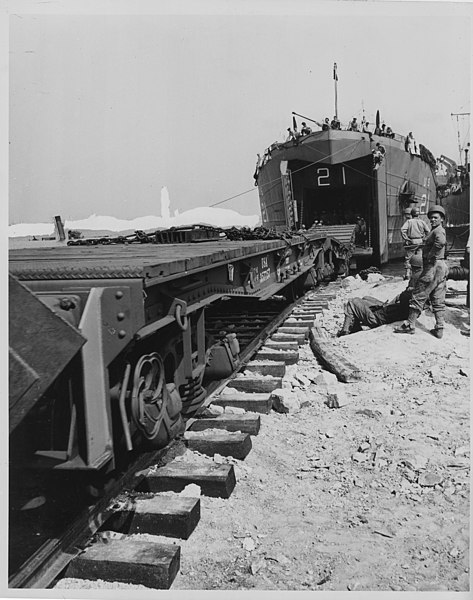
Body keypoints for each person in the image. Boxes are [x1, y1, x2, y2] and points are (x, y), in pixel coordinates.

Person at [394, 205, 448, 338]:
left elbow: (440, 242)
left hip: (433, 267)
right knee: (437, 297)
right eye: (431, 218)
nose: (433, 220)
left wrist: (430, 255)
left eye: (436, 218)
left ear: (442, 219)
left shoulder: (438, 231)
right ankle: (439, 328)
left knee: (418, 294)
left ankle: (409, 325)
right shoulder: (437, 229)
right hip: (441, 267)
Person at [337, 254, 422, 336]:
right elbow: (402, 297)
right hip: (386, 310)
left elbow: (403, 297)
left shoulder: (407, 298)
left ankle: (345, 330)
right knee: (366, 298)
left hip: (377, 319)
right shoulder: (412, 301)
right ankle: (355, 327)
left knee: (352, 302)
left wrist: (404, 294)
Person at [400, 206, 430, 280]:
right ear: (418, 214)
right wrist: (424, 238)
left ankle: (407, 274)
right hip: (420, 242)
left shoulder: (409, 222)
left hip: (411, 242)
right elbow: (428, 232)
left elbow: (402, 230)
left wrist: (406, 238)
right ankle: (419, 273)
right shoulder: (422, 222)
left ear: (411, 214)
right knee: (420, 257)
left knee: (408, 258)